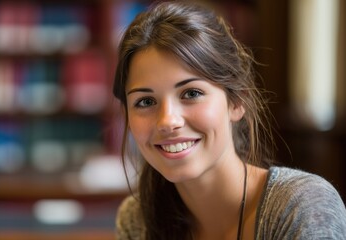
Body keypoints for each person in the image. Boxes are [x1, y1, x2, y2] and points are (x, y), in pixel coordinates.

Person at [112, 1, 346, 239]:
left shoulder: (301, 207)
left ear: (236, 102)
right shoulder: (137, 219)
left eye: (191, 93)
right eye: (146, 102)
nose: (168, 121)